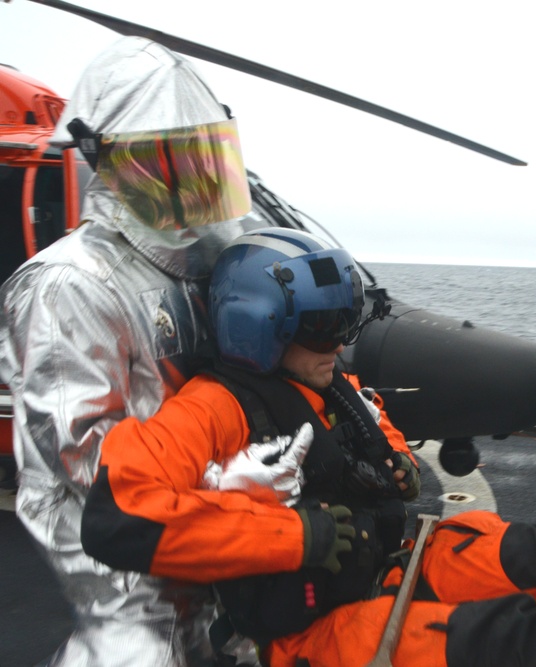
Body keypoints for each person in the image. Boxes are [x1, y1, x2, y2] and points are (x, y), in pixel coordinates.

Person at [82, 227, 536, 666]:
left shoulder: (328, 383)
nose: (340, 343)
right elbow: (119, 515)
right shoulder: (213, 407)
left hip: (395, 564)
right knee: (530, 649)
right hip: (318, 630)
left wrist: (399, 463)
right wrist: (298, 537)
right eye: (323, 327)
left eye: (346, 323)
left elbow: (373, 428)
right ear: (259, 326)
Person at [0, 37, 269, 665]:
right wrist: (237, 487)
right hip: (128, 563)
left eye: (204, 160)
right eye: (171, 163)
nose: (193, 181)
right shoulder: (70, 284)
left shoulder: (196, 264)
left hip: (206, 540)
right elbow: (92, 468)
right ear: (112, 163)